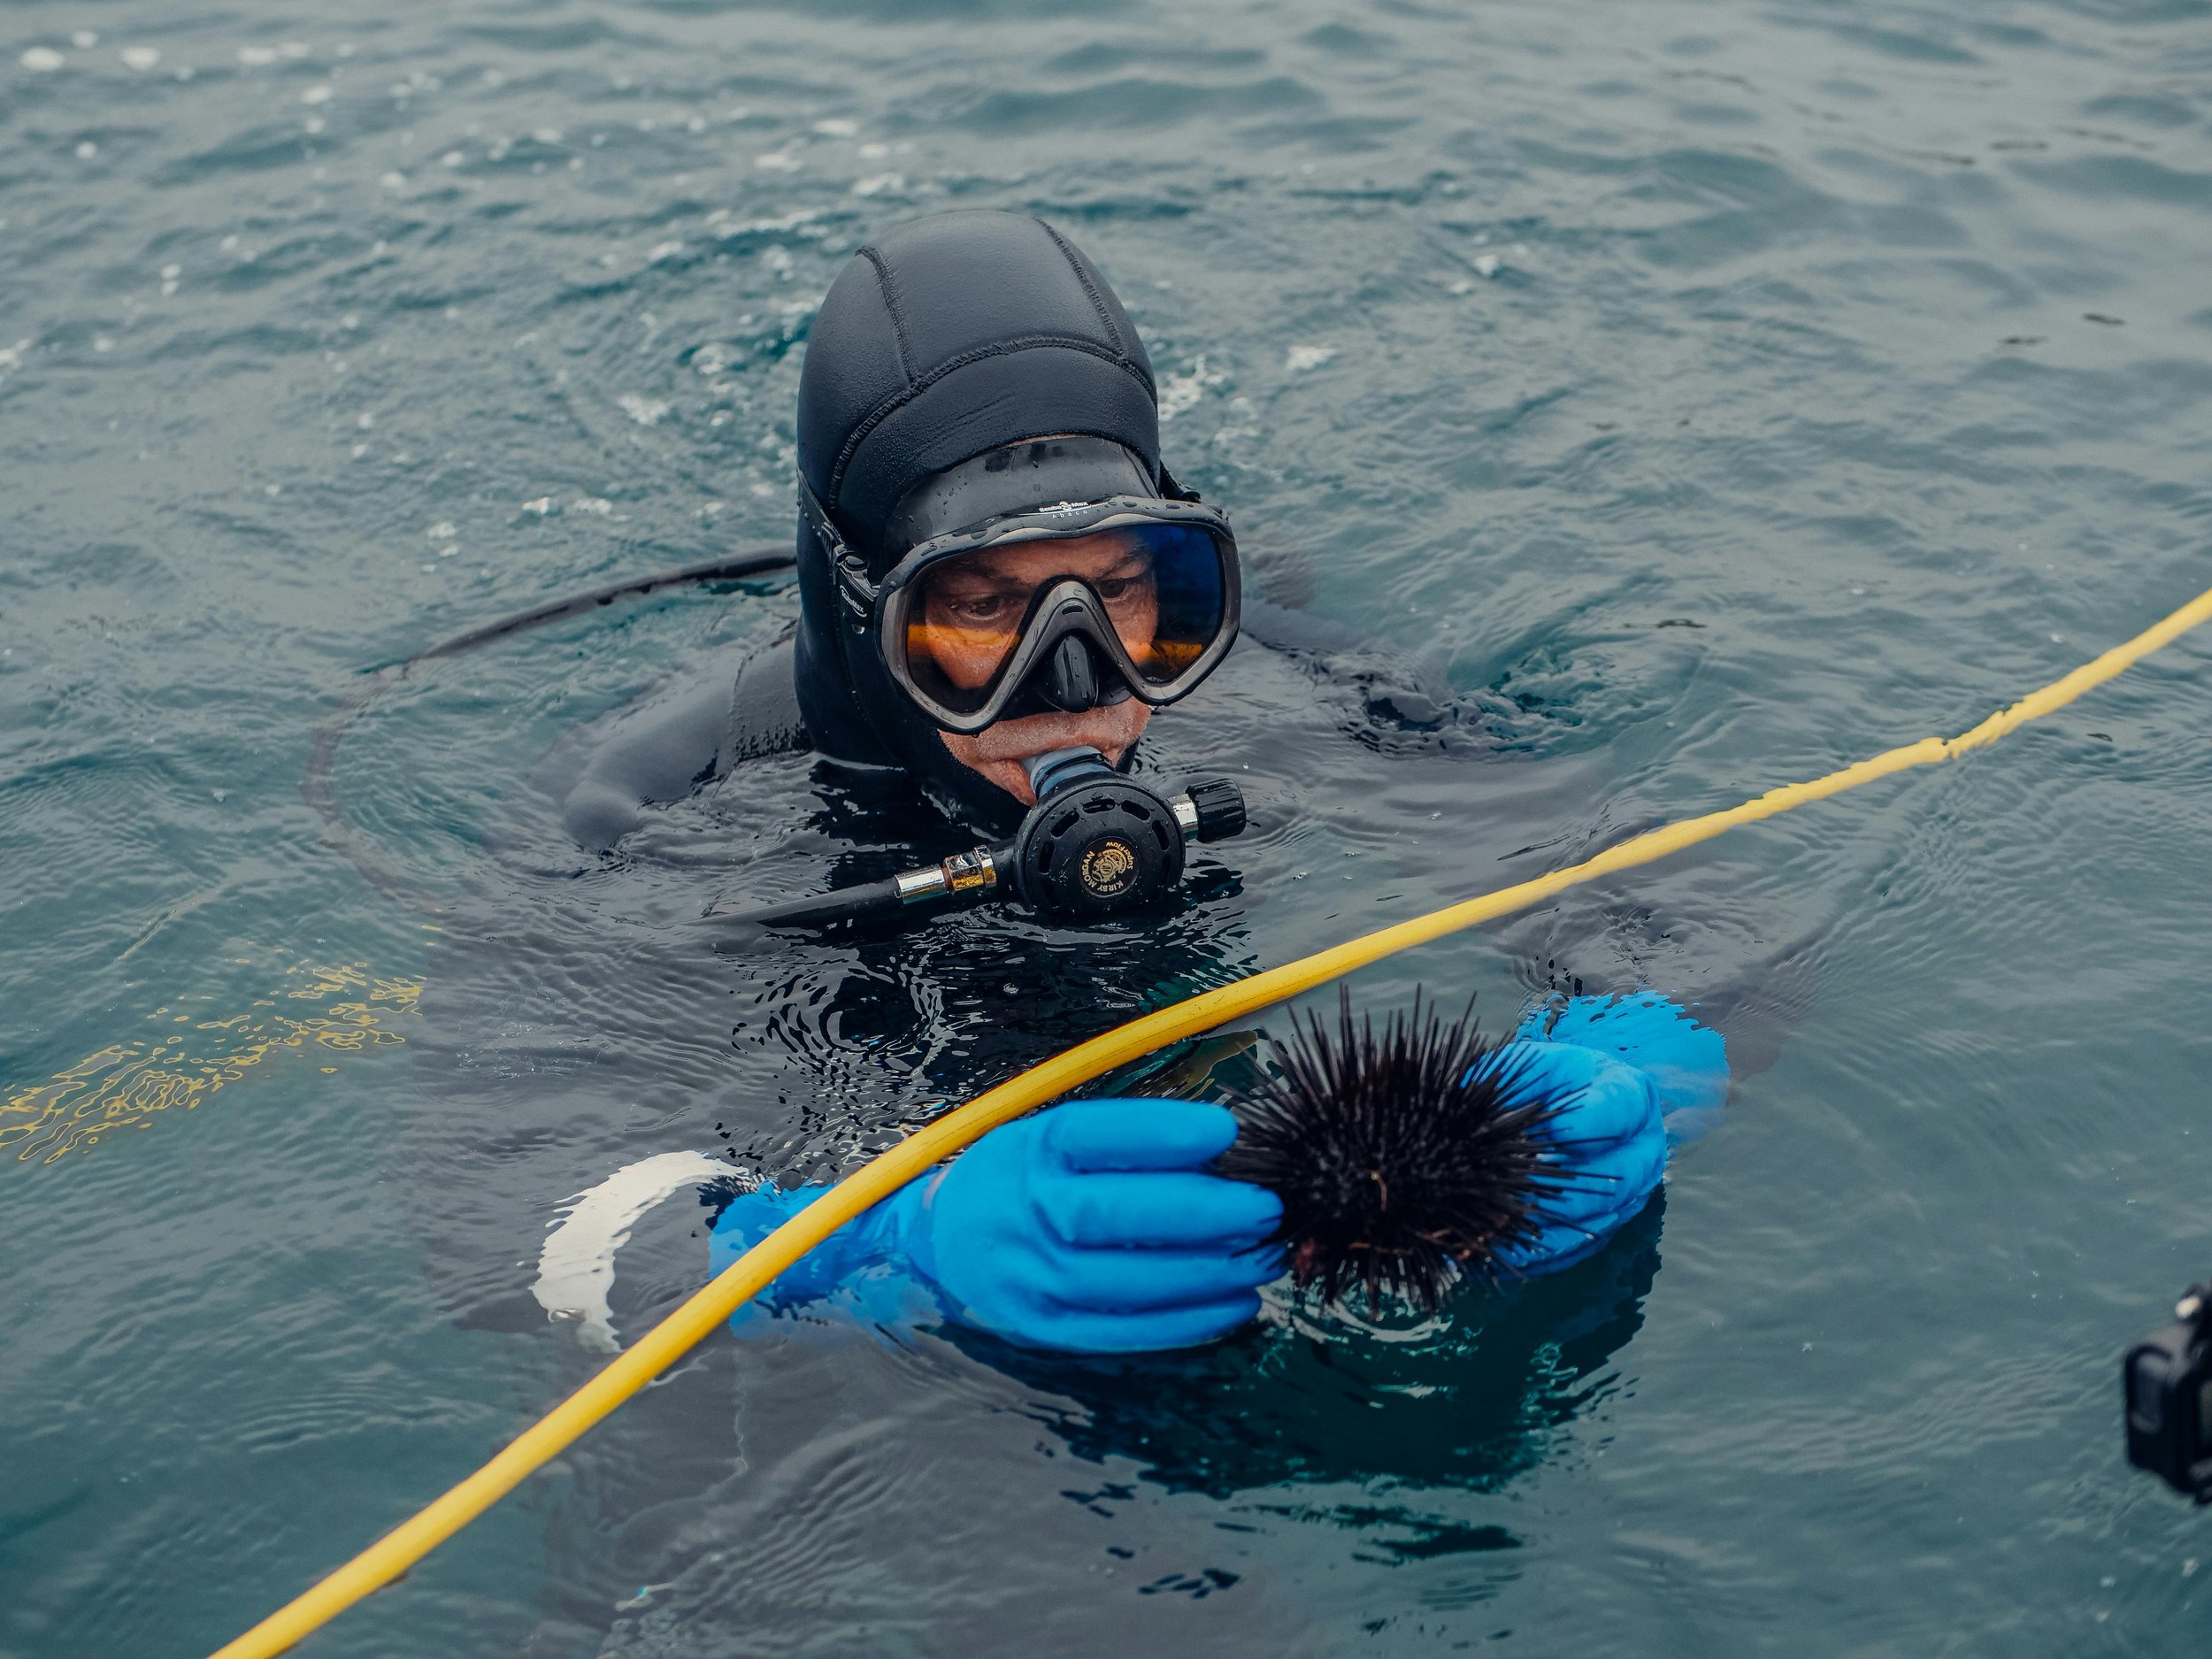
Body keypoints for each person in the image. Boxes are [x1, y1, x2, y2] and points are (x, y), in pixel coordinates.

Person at [554, 209, 1730, 1354]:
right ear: (863, 609)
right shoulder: (661, 809)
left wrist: (1637, 1057)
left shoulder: (1284, 693)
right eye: (981, 606)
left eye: (1120, 590)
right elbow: (517, 1213)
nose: (1076, 687)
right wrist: (856, 1258)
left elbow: (1668, 905)